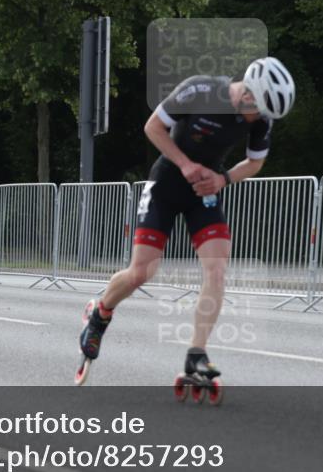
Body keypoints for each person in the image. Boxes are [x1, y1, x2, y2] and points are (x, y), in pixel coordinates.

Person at [75, 57, 296, 384]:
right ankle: (100, 313)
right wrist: (185, 164)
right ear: (248, 93)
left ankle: (197, 353)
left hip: (204, 190)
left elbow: (254, 163)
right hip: (166, 182)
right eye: (259, 111)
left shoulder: (262, 117)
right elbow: (153, 127)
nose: (259, 119)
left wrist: (223, 180)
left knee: (217, 270)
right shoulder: (200, 90)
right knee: (141, 272)